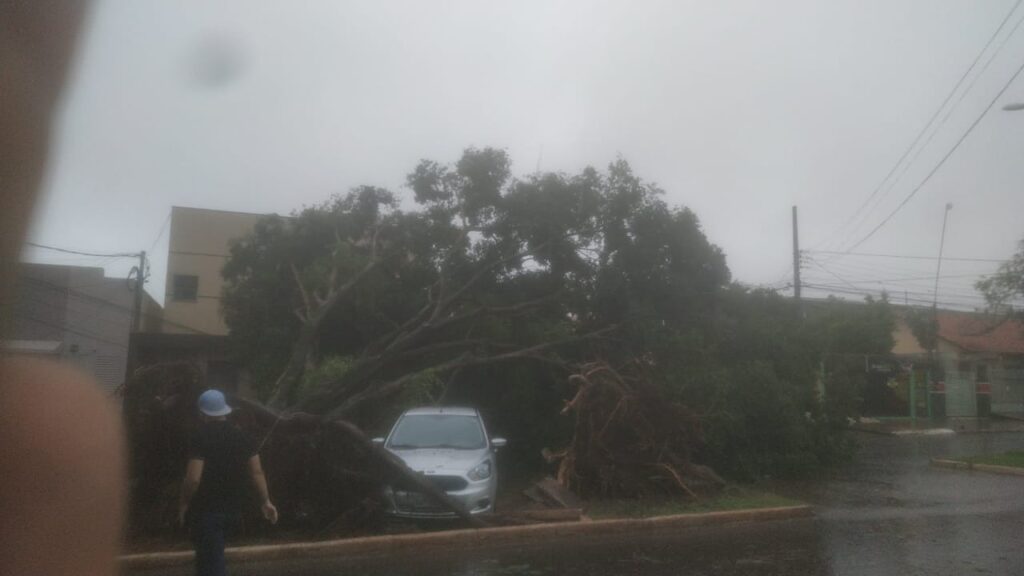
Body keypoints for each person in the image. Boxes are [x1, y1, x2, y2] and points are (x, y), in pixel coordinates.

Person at [178, 389, 278, 576]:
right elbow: (256, 472)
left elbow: (193, 479)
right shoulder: (243, 437)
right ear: (225, 411)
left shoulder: (199, 438)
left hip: (207, 510)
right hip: (233, 509)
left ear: (202, 413)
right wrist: (266, 501)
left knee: (211, 563)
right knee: (208, 561)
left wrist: (184, 504)